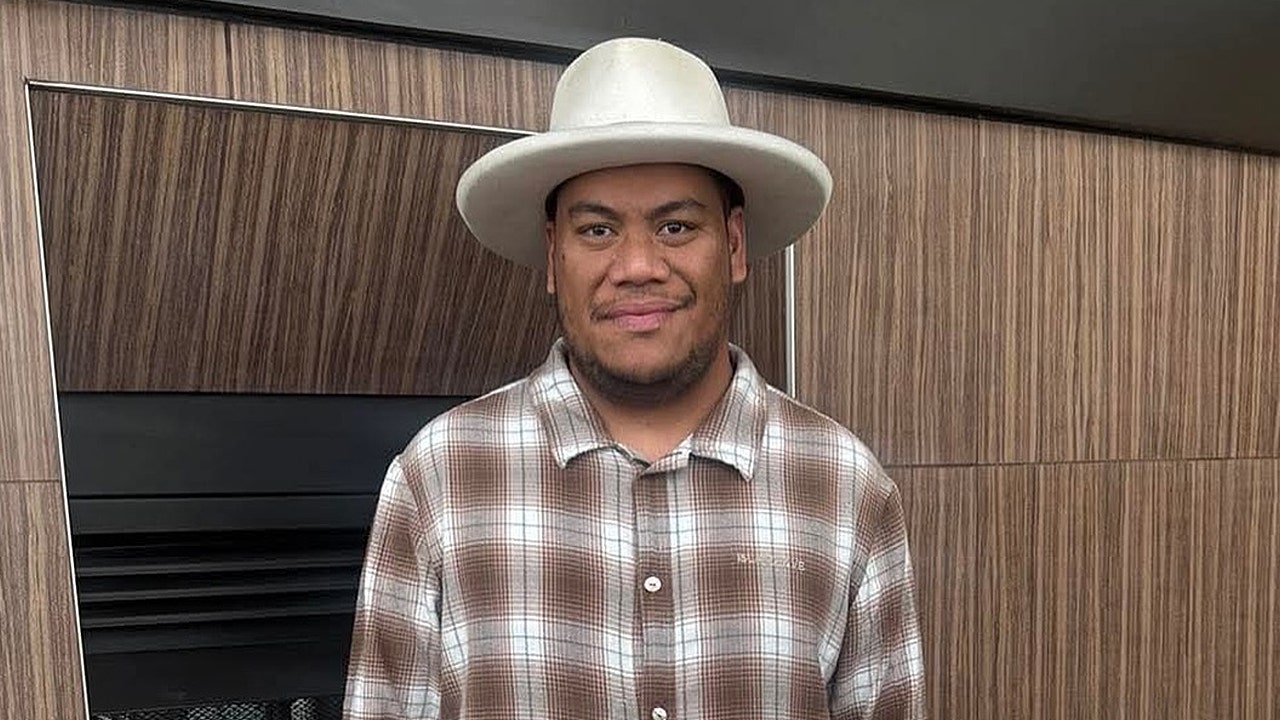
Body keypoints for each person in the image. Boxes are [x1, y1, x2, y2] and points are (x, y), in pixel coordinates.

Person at [344, 37, 925, 720]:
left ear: (734, 245)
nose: (639, 266)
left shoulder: (845, 487)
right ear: (553, 255)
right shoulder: (438, 478)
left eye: (675, 226)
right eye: (597, 231)